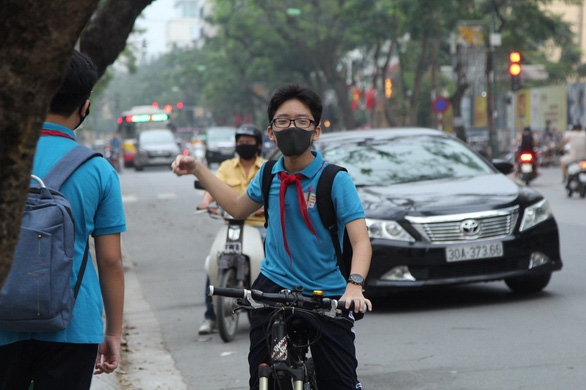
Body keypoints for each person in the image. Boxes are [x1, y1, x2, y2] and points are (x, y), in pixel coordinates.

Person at [173, 83, 372, 389]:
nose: (292, 127)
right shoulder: (268, 175)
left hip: (326, 291)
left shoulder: (334, 180)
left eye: (302, 121)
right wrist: (198, 168)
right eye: (283, 120)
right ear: (271, 131)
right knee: (263, 376)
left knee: (339, 382)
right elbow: (238, 207)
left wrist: (354, 286)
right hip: (273, 288)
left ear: (316, 131)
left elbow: (360, 241)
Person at [0, 50, 126, 389]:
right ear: (84, 106)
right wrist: (112, 331)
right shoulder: (98, 170)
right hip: (74, 325)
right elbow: (111, 262)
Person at [196, 124, 267, 335]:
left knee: (270, 262)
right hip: (232, 226)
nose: (244, 146)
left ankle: (272, 310)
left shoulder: (267, 168)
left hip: (259, 227)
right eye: (241, 142)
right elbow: (213, 188)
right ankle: (210, 317)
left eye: (248, 142)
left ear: (259, 145)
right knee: (214, 263)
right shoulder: (226, 167)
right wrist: (205, 202)